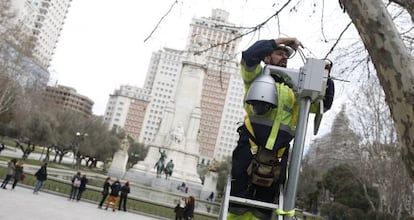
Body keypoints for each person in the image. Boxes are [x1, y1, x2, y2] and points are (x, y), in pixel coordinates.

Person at [228, 37, 335, 219]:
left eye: (287, 55)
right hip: (250, 149)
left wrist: (326, 77)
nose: (284, 57)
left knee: (264, 210)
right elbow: (249, 56)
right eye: (279, 53)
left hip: (278, 157)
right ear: (267, 57)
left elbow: (324, 103)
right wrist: (283, 41)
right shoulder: (256, 77)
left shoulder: (297, 91)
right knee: (238, 205)